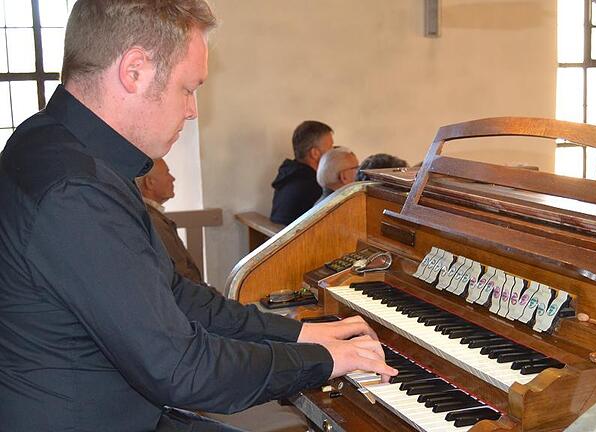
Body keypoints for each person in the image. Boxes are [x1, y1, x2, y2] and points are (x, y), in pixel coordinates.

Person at [0, 1, 395, 431]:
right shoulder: (75, 190)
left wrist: (300, 334)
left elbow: (175, 295)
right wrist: (322, 360)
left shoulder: (52, 143)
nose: (192, 111)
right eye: (188, 89)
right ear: (134, 71)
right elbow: (181, 369)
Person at [137, 158, 204, 284]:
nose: (172, 178)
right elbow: (180, 273)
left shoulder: (149, 215)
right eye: (167, 173)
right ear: (150, 183)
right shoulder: (154, 221)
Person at [269, 120, 334, 225]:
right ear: (315, 153)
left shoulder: (290, 174)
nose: (333, 152)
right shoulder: (312, 186)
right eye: (330, 147)